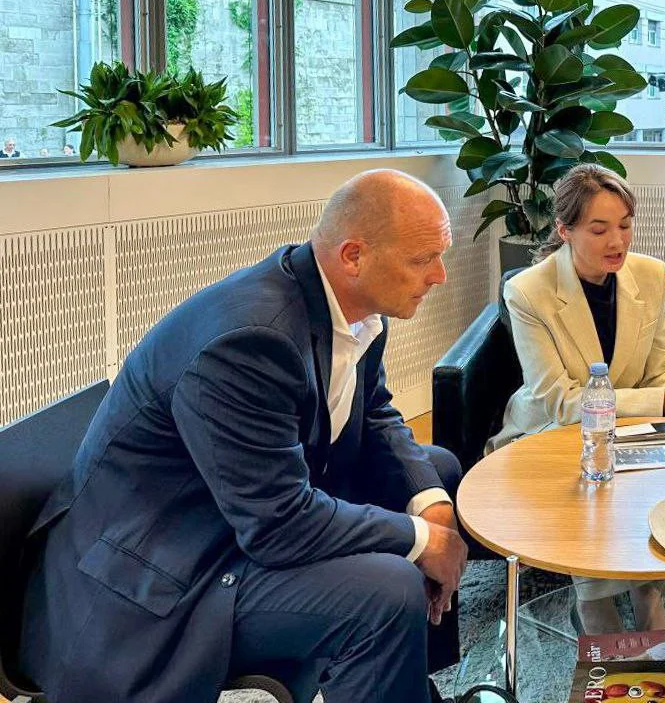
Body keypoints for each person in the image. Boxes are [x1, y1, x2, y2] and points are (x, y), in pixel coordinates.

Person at [20, 169, 469, 703]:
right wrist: (422, 540)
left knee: (435, 471)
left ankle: (406, 679)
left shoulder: (355, 306)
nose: (440, 275)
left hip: (232, 517)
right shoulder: (250, 341)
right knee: (388, 591)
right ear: (354, 256)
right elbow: (279, 525)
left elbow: (373, 412)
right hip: (168, 574)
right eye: (422, 259)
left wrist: (431, 507)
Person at [488, 163, 665, 634]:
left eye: (625, 226)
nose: (617, 242)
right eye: (599, 229)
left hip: (629, 426)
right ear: (564, 230)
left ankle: (649, 593)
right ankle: (594, 603)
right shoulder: (528, 291)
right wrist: (656, 401)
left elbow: (663, 363)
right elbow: (561, 400)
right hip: (550, 431)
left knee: (661, 460)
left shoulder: (650, 275)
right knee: (592, 466)